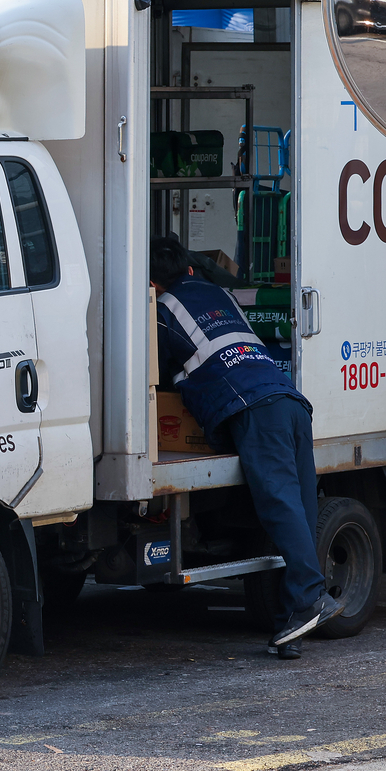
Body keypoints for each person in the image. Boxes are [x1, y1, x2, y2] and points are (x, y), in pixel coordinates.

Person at [150, 237, 341, 659]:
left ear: (153, 285)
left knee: (277, 504)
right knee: (300, 507)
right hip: (289, 400)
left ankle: (310, 596)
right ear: (191, 271)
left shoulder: (161, 311)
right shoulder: (219, 294)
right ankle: (295, 619)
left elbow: (154, 374)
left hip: (252, 407)